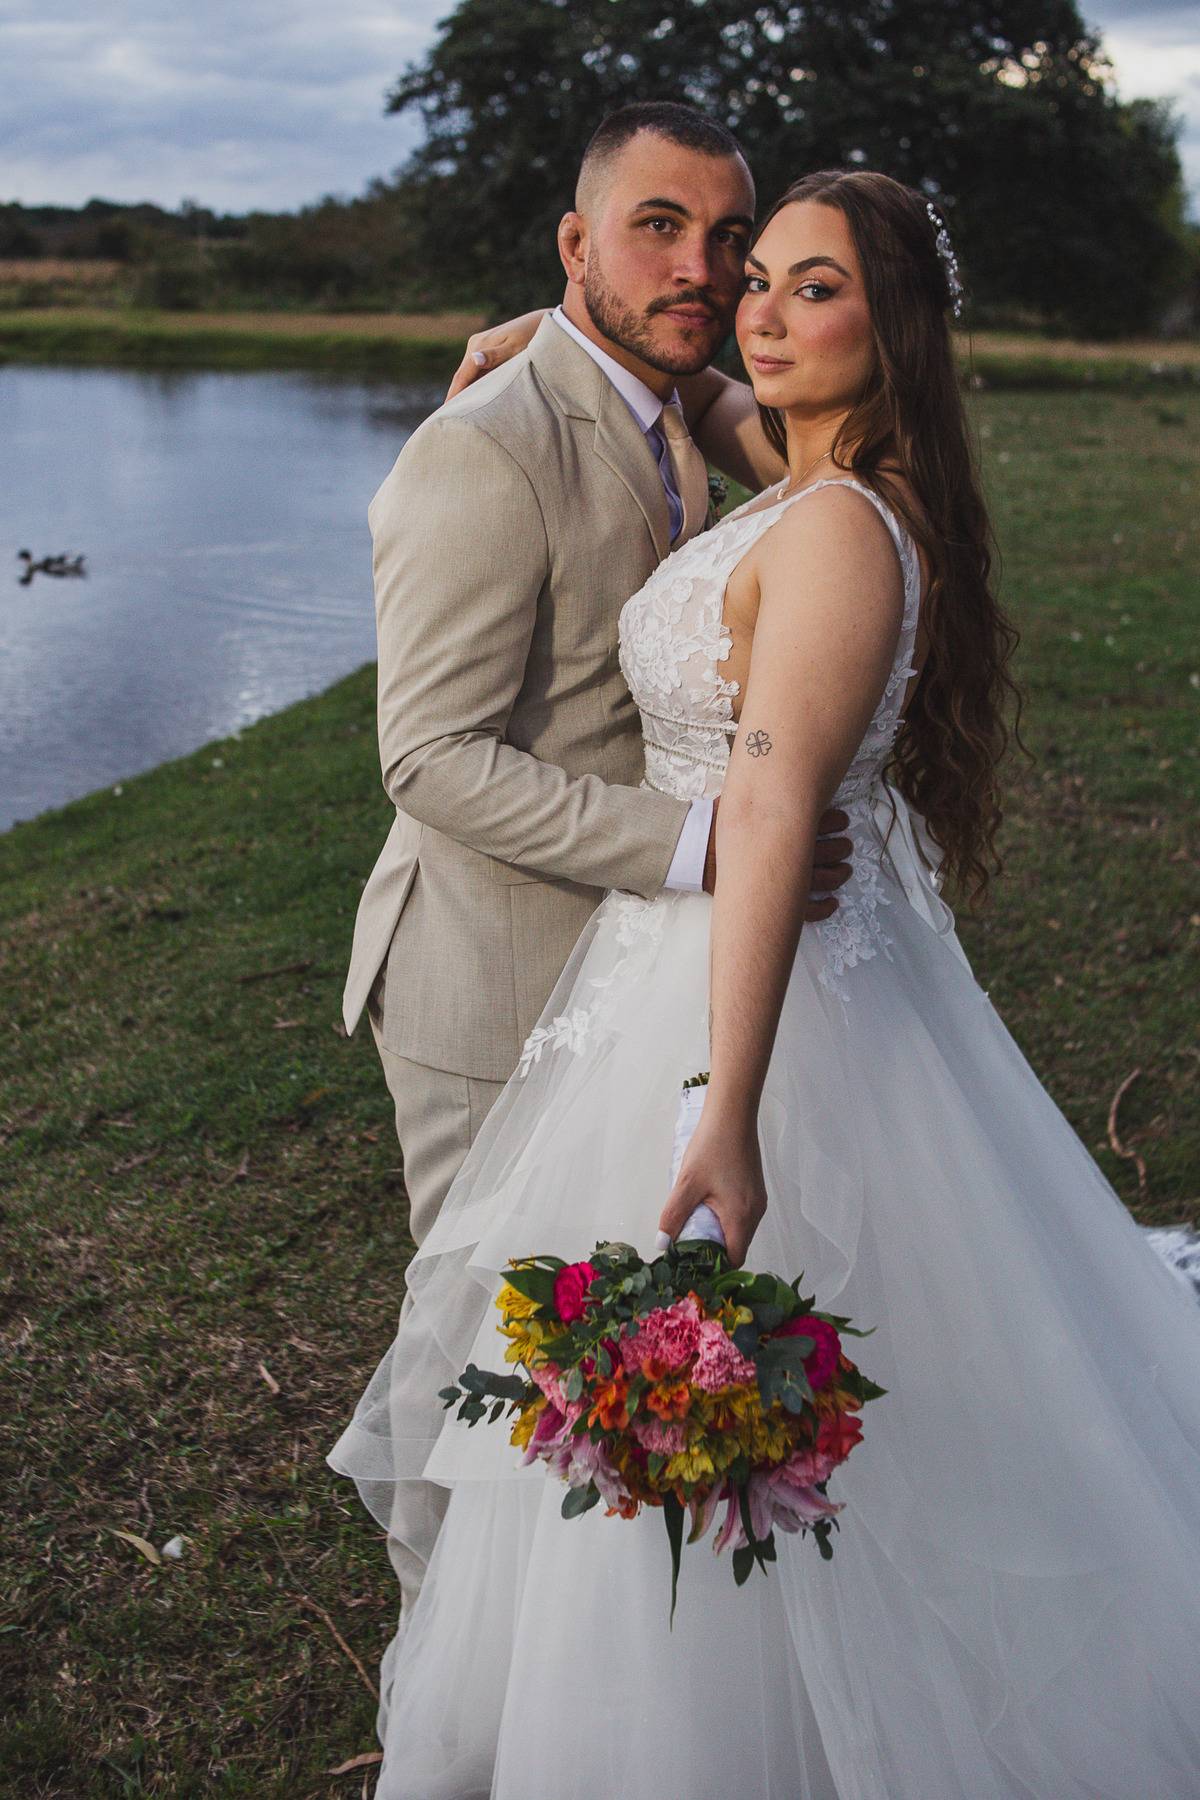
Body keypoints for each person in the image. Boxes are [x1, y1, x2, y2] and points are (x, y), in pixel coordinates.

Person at [331, 170, 1200, 1797]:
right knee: (626, 1392)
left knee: (738, 1369)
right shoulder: (795, 470)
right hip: (648, 975)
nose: (762, 310)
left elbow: (775, 812)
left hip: (757, 1004)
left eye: (815, 286)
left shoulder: (843, 530)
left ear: (895, 323)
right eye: (759, 279)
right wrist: (548, 328)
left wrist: (727, 1114)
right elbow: (719, 388)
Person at [341, 102, 857, 1613]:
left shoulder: (675, 401)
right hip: (487, 973)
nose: (702, 267)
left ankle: (564, 1639)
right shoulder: (480, 450)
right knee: (471, 1346)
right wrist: (707, 839)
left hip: (619, 976)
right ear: (577, 241)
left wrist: (591, 330)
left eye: (728, 239)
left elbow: (804, 445)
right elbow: (429, 759)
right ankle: (442, 1660)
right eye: (657, 228)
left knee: (588, 1334)